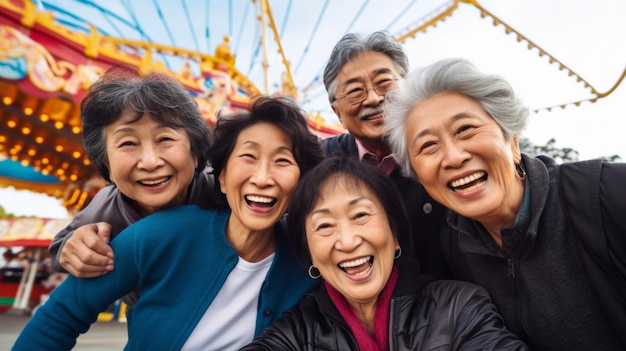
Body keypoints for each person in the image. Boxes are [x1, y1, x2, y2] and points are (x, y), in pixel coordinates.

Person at [13, 96, 324, 350]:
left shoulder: (310, 256)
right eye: (248, 157)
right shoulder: (150, 234)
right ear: (223, 178)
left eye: (283, 161)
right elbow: (60, 316)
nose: (262, 178)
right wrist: (71, 246)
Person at [384, 57, 626, 350]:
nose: (453, 157)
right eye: (428, 146)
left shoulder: (604, 195)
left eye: (465, 129)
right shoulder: (450, 248)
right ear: (420, 179)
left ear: (512, 141)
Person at [241, 156, 528, 350]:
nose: (348, 241)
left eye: (361, 215)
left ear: (395, 234)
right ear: (309, 253)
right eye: (325, 225)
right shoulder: (297, 332)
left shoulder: (458, 307)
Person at [48, 65, 215, 288]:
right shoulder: (104, 209)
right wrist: (73, 250)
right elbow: (60, 248)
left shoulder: (223, 189)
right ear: (105, 160)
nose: (150, 161)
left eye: (165, 139)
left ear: (195, 151)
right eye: (128, 143)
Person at [321, 31, 449, 278]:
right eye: (356, 91)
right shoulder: (316, 163)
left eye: (385, 84)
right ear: (337, 112)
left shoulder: (445, 152)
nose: (374, 98)